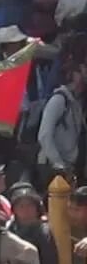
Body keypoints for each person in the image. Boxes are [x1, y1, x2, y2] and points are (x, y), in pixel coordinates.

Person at [37, 57, 87, 186]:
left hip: (68, 165)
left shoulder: (77, 103)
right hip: (52, 165)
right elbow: (44, 135)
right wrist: (59, 164)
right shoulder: (59, 99)